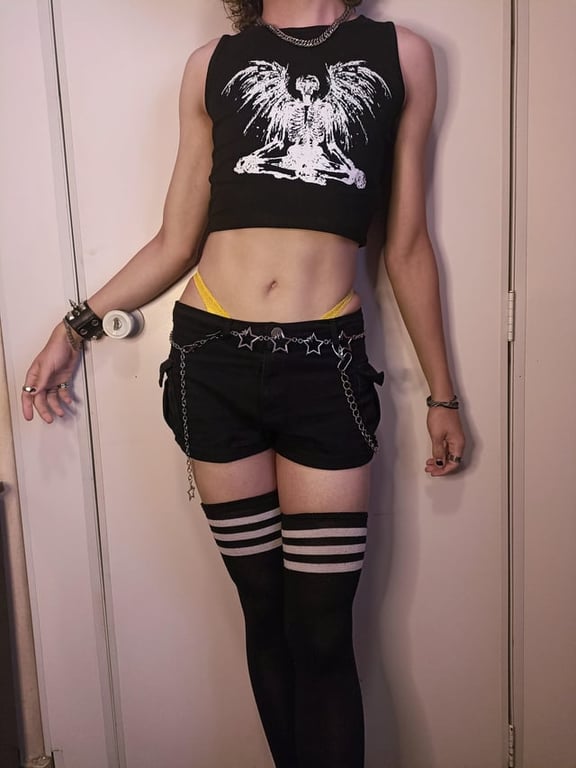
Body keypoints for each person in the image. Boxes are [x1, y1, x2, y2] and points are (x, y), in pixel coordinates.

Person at [21, 1, 465, 766]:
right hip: (212, 360)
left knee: (322, 631)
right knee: (264, 611)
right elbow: (175, 241)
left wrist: (443, 395)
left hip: (326, 367)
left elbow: (407, 246)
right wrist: (76, 326)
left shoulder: (403, 55)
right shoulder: (212, 65)